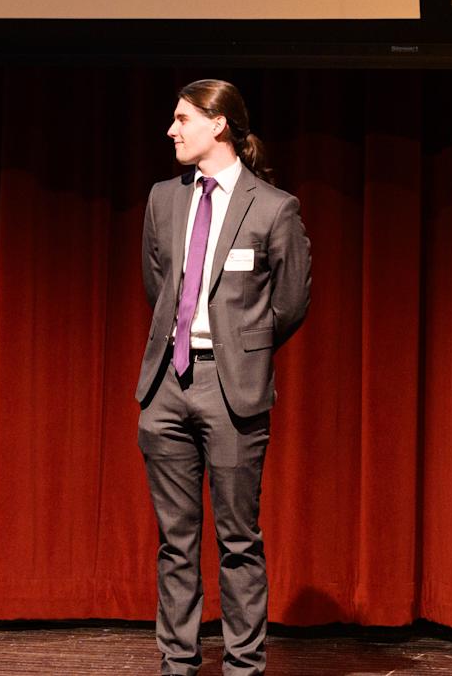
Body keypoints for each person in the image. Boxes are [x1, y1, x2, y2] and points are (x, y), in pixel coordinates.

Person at [134, 79, 312, 676]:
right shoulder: (164, 198)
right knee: (175, 541)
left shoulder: (272, 207)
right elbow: (159, 285)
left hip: (231, 388)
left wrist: (241, 349)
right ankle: (177, 664)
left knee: (239, 539)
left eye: (183, 118)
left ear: (219, 125)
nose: (172, 129)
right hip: (166, 386)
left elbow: (289, 301)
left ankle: (242, 666)